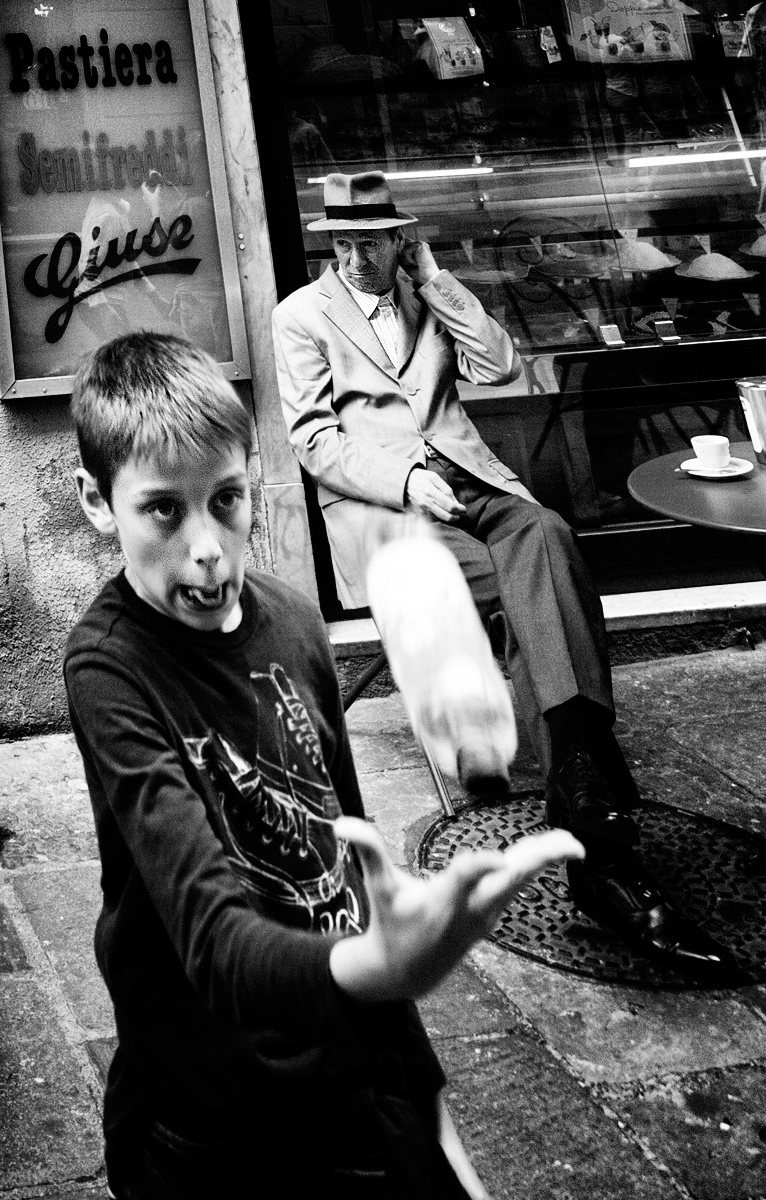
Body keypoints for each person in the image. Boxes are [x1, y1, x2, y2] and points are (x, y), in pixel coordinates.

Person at [64, 330, 582, 1200]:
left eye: (226, 499)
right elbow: (214, 942)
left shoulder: (297, 625)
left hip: (350, 1070)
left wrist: (427, 1094)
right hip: (211, 1117)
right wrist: (379, 969)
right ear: (96, 501)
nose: (207, 547)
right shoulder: (110, 670)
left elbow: (351, 870)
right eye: (163, 508)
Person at [271, 170, 736, 981]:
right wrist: (406, 481)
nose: (352, 258)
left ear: (398, 239)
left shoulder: (426, 294)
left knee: (548, 536)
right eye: (340, 243)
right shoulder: (299, 317)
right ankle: (599, 832)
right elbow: (312, 440)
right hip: (393, 508)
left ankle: (578, 791)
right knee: (519, 593)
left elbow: (499, 364)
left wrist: (437, 280)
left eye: (369, 243)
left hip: (475, 485)